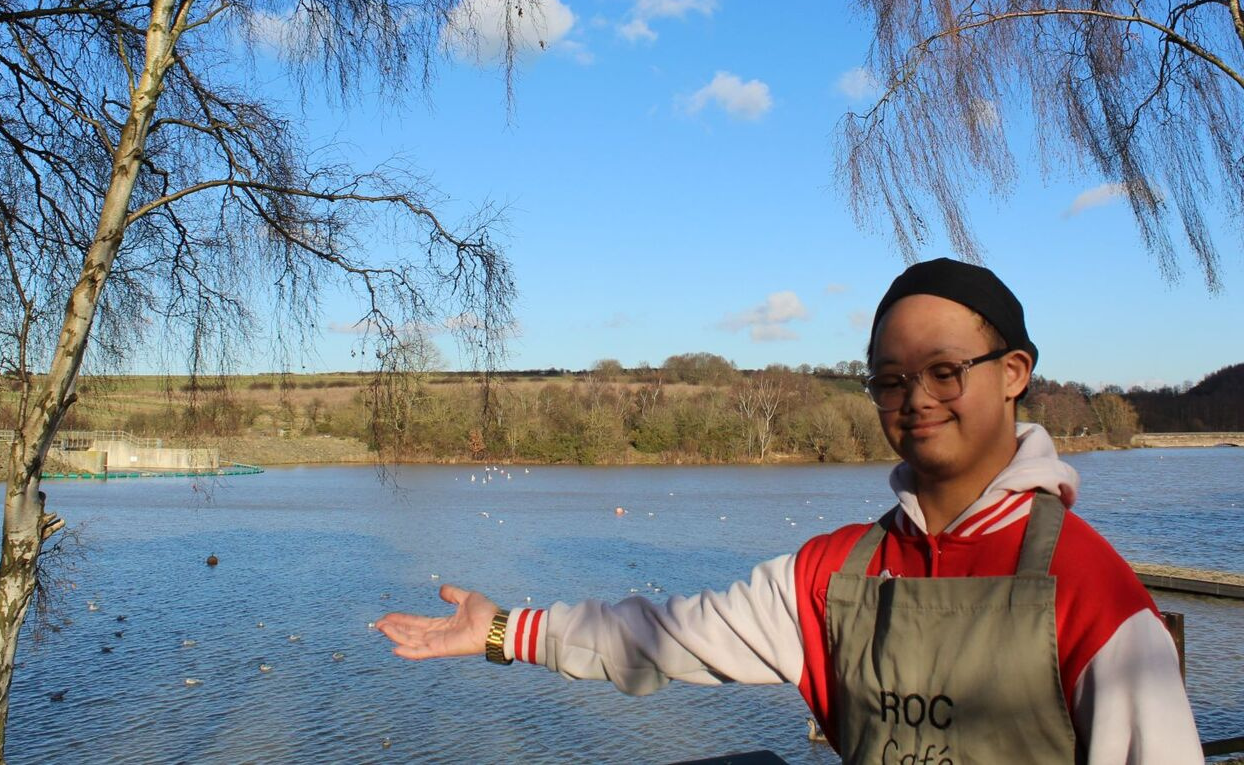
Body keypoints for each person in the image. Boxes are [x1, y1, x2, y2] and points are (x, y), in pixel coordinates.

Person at [376, 258, 1203, 764]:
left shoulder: (1091, 592)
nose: (915, 397)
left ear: (1014, 371)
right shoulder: (834, 575)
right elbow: (658, 637)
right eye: (888, 377)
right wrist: (498, 630)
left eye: (945, 370)